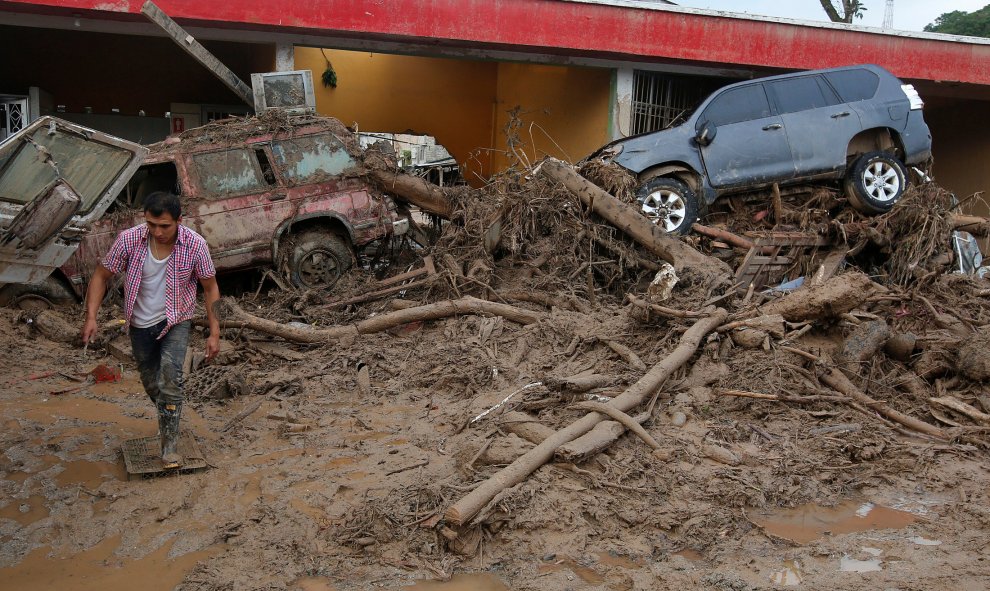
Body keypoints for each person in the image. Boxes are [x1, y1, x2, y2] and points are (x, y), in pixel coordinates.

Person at [81, 191, 221, 469]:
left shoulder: (194, 245)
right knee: (151, 384)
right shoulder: (130, 240)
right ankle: (169, 417)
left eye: (165, 226)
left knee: (170, 380)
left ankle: (169, 447)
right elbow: (101, 275)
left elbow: (211, 288)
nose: (157, 232)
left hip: (176, 321)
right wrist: (91, 316)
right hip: (139, 324)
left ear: (179, 220)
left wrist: (215, 332)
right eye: (151, 225)